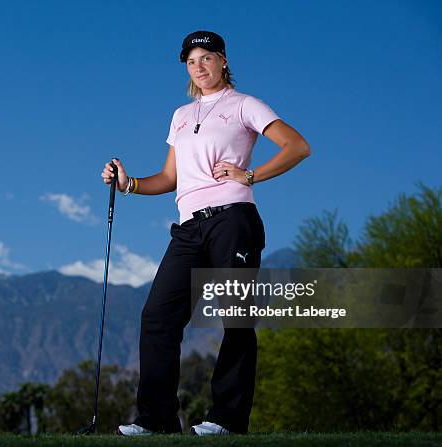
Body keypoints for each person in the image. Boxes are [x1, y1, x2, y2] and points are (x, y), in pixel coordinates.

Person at [101, 30, 310, 436]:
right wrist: (128, 184)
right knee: (158, 317)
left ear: (223, 61)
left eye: (207, 58)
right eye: (192, 61)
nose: (199, 66)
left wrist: (250, 174)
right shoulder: (180, 115)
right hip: (189, 228)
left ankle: (228, 420)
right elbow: (168, 177)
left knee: (235, 319)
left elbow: (297, 147)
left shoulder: (245, 105)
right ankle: (158, 421)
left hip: (233, 220)